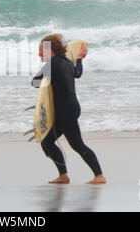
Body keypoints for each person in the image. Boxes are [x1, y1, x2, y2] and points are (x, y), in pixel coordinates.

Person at [32, 34, 106, 184]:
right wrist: (79, 59)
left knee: (77, 145)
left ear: (50, 50)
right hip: (69, 109)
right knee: (47, 142)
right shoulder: (66, 62)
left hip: (66, 112)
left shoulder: (51, 65)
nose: (39, 54)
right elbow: (77, 73)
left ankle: (99, 176)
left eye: (41, 50)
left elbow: (35, 82)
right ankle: (63, 175)